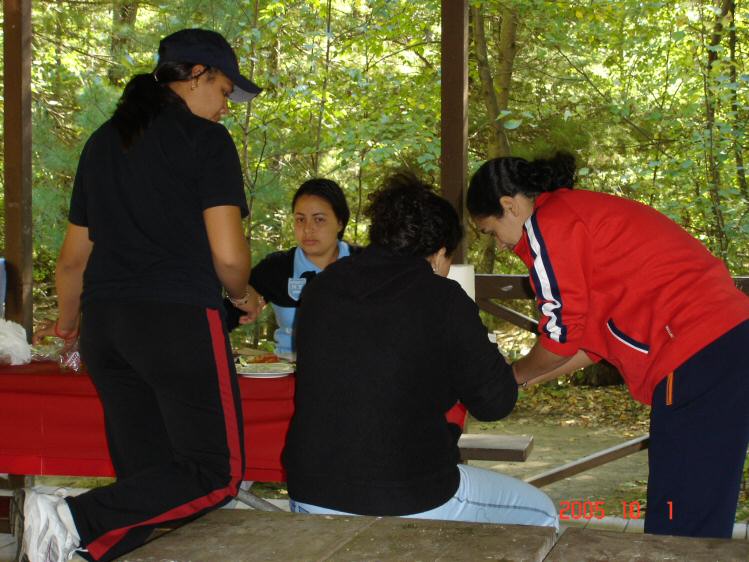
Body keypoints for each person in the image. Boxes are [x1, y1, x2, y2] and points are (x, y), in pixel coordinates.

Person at [27, 29, 262, 562]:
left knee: (148, 484)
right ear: (197, 76)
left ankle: (77, 548)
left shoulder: (105, 141)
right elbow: (228, 257)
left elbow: (72, 261)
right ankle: (72, 518)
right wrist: (243, 294)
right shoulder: (206, 143)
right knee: (216, 473)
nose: (227, 107)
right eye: (225, 91)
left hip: (106, 327)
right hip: (174, 319)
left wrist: (68, 325)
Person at [467, 152, 749, 539]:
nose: (499, 245)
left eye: (490, 232)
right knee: (701, 506)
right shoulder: (577, 214)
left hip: (694, 352)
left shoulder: (549, 226)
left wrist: (511, 374)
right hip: (728, 343)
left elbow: (561, 336)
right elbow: (587, 343)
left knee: (679, 517)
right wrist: (521, 381)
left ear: (509, 206)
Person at [282, 172, 558, 529]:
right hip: (408, 494)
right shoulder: (442, 298)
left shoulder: (323, 287)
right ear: (439, 253)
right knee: (541, 513)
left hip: (309, 493)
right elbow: (494, 403)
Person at [226, 178, 360, 358]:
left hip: (352, 374)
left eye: (319, 219)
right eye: (300, 219)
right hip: (290, 374)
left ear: (340, 222)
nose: (308, 229)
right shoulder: (278, 268)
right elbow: (225, 315)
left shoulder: (364, 264)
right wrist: (242, 299)